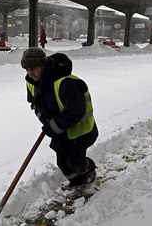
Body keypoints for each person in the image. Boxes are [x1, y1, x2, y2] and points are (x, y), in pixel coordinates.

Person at [21, 47, 98, 190]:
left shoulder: (68, 83)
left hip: (80, 132)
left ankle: (89, 169)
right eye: (26, 70)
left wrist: (52, 126)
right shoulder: (32, 82)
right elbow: (35, 104)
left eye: (34, 68)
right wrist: (44, 119)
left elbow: (76, 111)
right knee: (62, 163)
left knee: (75, 163)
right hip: (60, 132)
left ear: (43, 65)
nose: (30, 74)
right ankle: (77, 182)